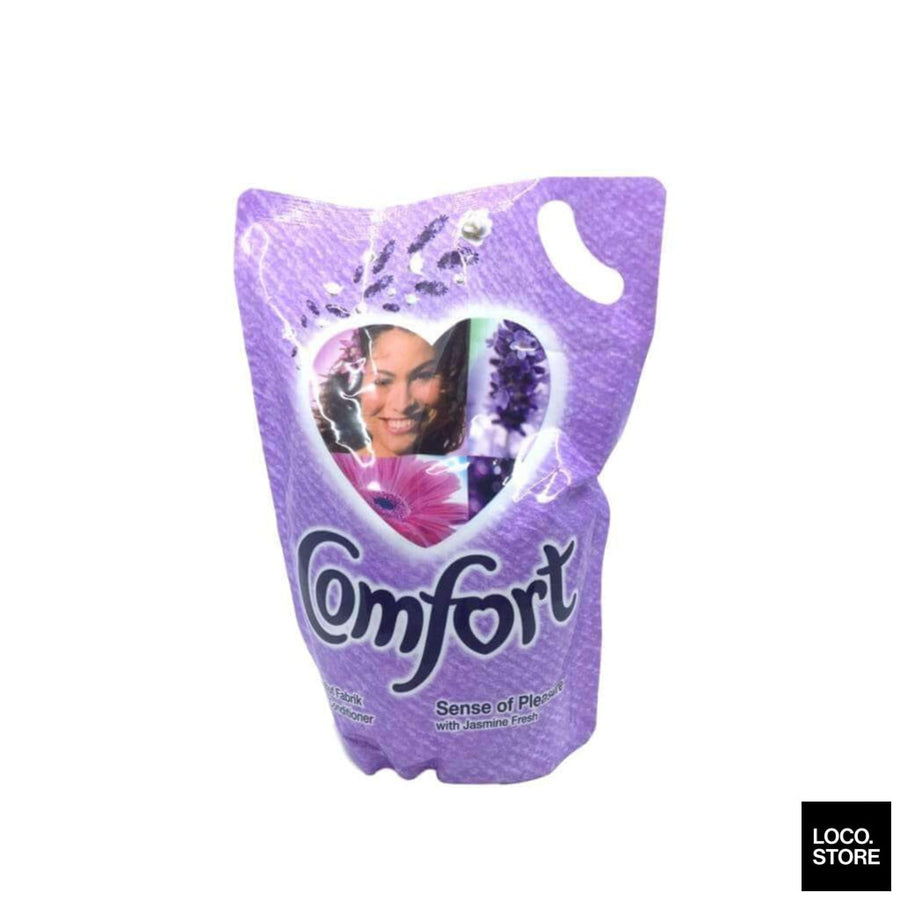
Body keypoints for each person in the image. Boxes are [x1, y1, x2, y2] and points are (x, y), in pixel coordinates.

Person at [315, 322, 469, 457]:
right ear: (354, 386)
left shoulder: (462, 471)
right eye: (382, 381)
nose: (402, 405)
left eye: (423, 376)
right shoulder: (322, 467)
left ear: (450, 381)